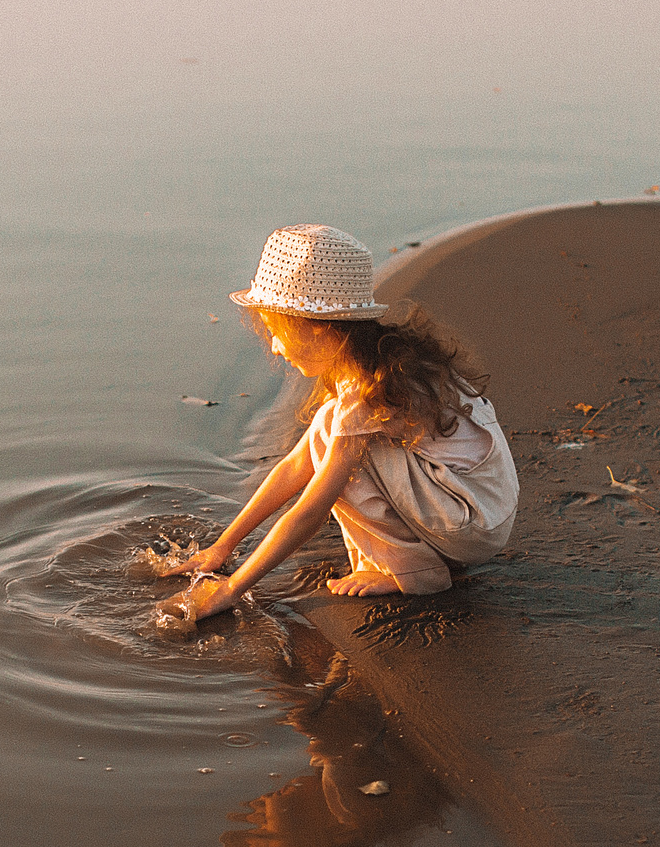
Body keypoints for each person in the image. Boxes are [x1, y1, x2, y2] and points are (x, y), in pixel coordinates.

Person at [156, 224, 518, 627]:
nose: (275, 347)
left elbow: (312, 508)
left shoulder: (366, 395)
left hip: (472, 522)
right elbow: (295, 465)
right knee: (331, 429)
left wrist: (230, 589)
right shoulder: (377, 362)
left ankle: (413, 572)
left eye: (278, 332)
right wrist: (222, 548)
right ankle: (418, 556)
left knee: (345, 462)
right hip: (478, 506)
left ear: (317, 327)